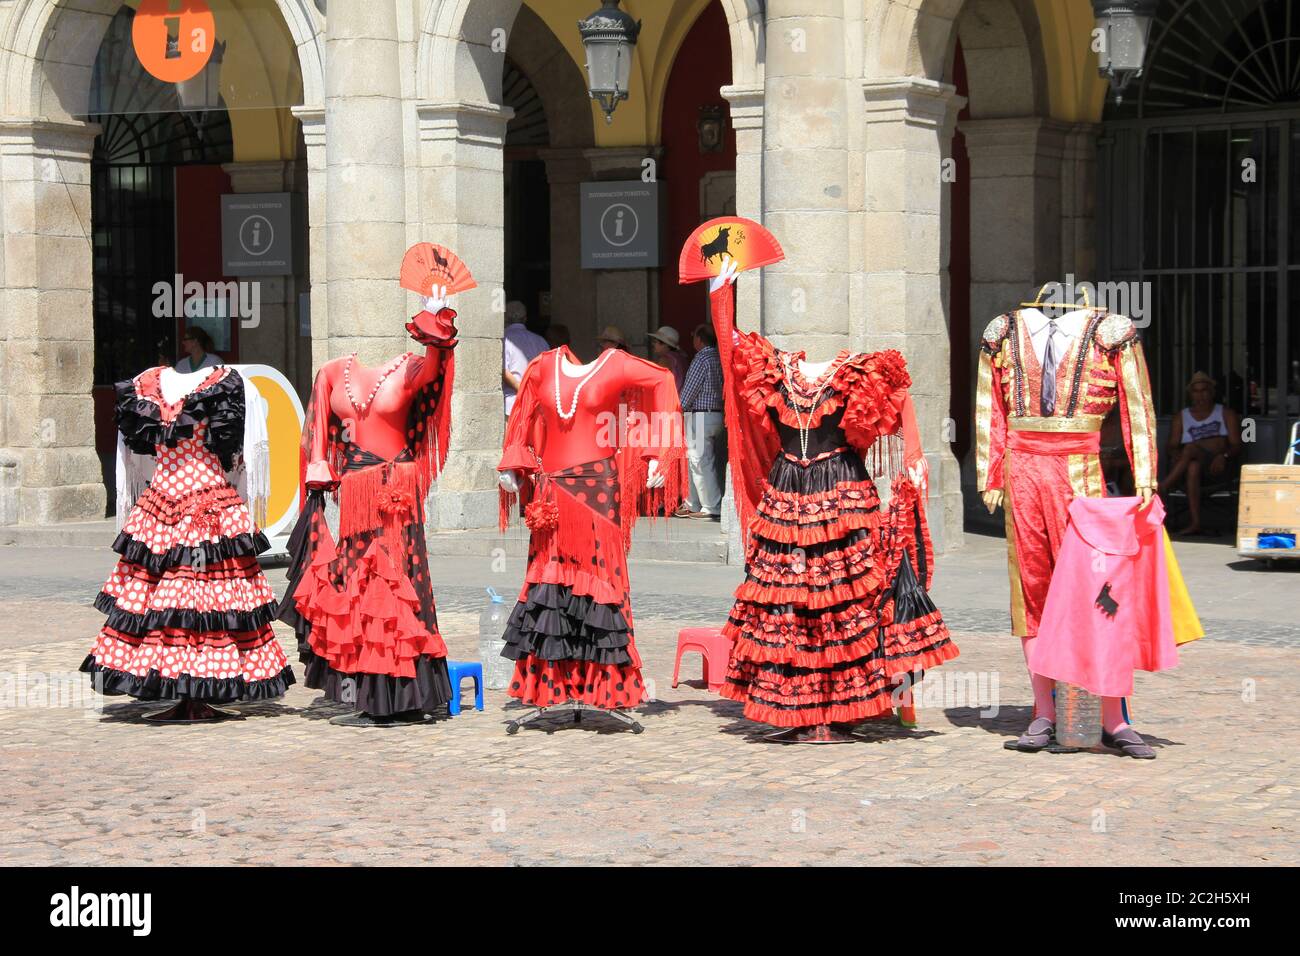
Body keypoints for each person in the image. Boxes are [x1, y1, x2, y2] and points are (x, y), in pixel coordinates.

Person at [975, 299, 1163, 758]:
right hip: (1023, 471)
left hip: (1082, 472)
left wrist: (1145, 473)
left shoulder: (1112, 332)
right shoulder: (1002, 332)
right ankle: (1045, 710)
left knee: (1100, 593)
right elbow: (990, 408)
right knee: (1033, 588)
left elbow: (1137, 405)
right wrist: (991, 473)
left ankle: (1113, 716)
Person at [1157, 371, 1243, 535]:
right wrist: (1176, 454)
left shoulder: (1225, 414)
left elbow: (1236, 445)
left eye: (1204, 390)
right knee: (1193, 465)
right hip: (1189, 469)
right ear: (1190, 394)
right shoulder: (1181, 417)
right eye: (1196, 391)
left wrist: (1223, 456)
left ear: (1212, 392)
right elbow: (1172, 445)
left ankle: (1164, 486)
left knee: (1190, 449)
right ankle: (1196, 523)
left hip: (1217, 469)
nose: (1200, 395)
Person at [675, 324, 726, 520]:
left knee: (700, 461)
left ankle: (711, 506)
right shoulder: (718, 358)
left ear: (699, 339)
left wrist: (679, 407)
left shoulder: (702, 358)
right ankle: (693, 502)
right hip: (716, 414)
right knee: (699, 460)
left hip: (701, 415)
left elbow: (689, 391)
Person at [502, 300, 549, 417]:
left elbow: (503, 370)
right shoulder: (540, 341)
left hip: (512, 404)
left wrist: (523, 390)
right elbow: (549, 369)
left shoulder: (503, 340)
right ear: (525, 318)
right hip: (536, 403)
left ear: (505, 318)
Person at [648, 326, 687, 391]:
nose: (653, 344)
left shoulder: (665, 360)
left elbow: (656, 382)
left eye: (655, 342)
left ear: (665, 344)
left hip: (671, 398)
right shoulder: (681, 357)